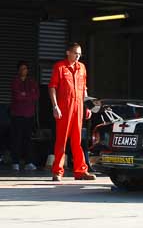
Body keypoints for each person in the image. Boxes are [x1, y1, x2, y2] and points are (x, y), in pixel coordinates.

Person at [48, 42, 96, 181]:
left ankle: (80, 171)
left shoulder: (82, 68)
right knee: (61, 140)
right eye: (75, 53)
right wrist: (55, 106)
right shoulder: (60, 67)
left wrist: (87, 106)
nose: (78, 56)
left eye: (80, 54)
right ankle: (57, 171)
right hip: (65, 107)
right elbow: (52, 87)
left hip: (78, 106)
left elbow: (84, 88)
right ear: (68, 52)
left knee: (77, 140)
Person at [10, 61, 39, 171]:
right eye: (22, 68)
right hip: (17, 114)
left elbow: (36, 95)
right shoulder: (15, 81)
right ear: (18, 70)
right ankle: (15, 162)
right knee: (16, 139)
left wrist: (25, 95)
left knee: (28, 139)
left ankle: (29, 162)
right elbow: (17, 96)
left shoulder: (31, 82)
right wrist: (27, 95)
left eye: (25, 68)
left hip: (29, 114)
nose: (23, 70)